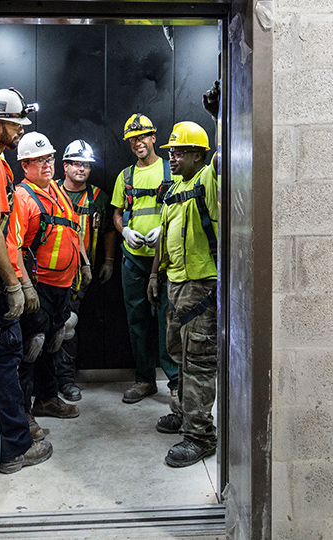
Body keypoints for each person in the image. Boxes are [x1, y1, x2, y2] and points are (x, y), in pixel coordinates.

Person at [0, 88, 52, 474]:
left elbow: (4, 235)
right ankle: (14, 451)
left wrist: (20, 278)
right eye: (13, 124)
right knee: (7, 362)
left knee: (1, 361)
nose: (20, 130)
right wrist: (12, 284)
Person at [147, 109, 220, 467]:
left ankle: (201, 435)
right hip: (175, 284)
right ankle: (185, 411)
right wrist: (153, 275)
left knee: (199, 363)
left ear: (198, 156)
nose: (171, 157)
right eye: (171, 151)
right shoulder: (173, 189)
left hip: (201, 287)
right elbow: (164, 235)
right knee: (177, 354)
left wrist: (220, 114)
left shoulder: (209, 179)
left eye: (179, 152)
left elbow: (227, 155)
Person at [14, 132, 81, 442]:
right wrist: (25, 287)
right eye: (39, 161)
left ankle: (47, 398)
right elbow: (12, 246)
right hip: (38, 287)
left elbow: (72, 229)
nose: (47, 165)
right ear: (25, 164)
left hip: (62, 286)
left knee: (54, 341)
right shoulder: (22, 197)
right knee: (33, 345)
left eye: (49, 159)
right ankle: (23, 412)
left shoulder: (57, 190)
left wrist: (86, 264)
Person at [111, 114, 180, 405]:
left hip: (165, 260)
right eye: (133, 139)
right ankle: (144, 380)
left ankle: (176, 383)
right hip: (134, 260)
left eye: (143, 136)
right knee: (137, 321)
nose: (138, 142)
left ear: (153, 137)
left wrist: (162, 230)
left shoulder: (170, 171)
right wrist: (124, 230)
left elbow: (182, 204)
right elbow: (116, 213)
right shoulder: (125, 177)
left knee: (169, 322)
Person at [55, 139, 118, 401]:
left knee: (69, 327)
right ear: (65, 165)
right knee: (43, 329)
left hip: (80, 277)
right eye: (77, 164)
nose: (82, 169)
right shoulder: (49, 191)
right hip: (49, 274)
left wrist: (108, 261)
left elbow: (108, 230)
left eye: (87, 165)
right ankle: (44, 384)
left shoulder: (97, 198)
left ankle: (65, 380)